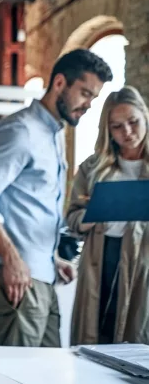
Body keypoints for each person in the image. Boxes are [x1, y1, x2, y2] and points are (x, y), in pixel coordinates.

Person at [0, 49, 113, 347]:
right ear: (59, 83)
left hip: (39, 271)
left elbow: (29, 206)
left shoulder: (51, 133)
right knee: (22, 381)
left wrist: (51, 258)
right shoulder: (21, 130)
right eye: (84, 93)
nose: (88, 105)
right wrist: (12, 259)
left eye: (93, 98)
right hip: (20, 271)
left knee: (47, 373)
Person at [67, 86, 149, 345]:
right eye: (117, 126)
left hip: (143, 259)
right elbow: (71, 217)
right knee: (97, 330)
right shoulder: (92, 167)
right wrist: (92, 214)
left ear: (145, 117)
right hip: (101, 257)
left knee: (136, 332)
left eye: (133, 122)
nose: (127, 132)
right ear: (107, 130)